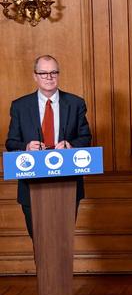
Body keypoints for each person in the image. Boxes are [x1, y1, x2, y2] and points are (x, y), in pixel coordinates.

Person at [6, 55, 92, 238]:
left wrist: (70, 145)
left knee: (62, 239)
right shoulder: (20, 106)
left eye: (53, 72)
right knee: (39, 239)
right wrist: (26, 146)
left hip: (67, 183)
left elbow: (86, 138)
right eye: (43, 73)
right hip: (32, 184)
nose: (49, 77)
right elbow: (11, 143)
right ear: (35, 76)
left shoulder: (76, 103)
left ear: (58, 75)